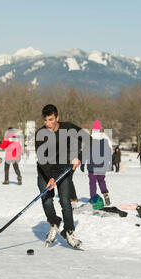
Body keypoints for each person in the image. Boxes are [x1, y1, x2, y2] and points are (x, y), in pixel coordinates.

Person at [35, 104, 89, 249]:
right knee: (46, 199)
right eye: (45, 120)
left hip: (63, 170)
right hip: (44, 170)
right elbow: (41, 159)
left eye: (51, 120)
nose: (48, 124)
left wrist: (79, 157)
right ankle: (54, 222)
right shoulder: (40, 134)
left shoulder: (68, 128)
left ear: (57, 118)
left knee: (65, 201)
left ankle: (69, 231)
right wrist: (50, 177)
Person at [81, 120, 112, 206]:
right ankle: (105, 193)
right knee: (101, 180)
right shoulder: (105, 139)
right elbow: (109, 151)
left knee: (92, 182)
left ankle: (93, 198)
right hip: (102, 166)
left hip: (92, 166)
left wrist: (83, 163)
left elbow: (85, 152)